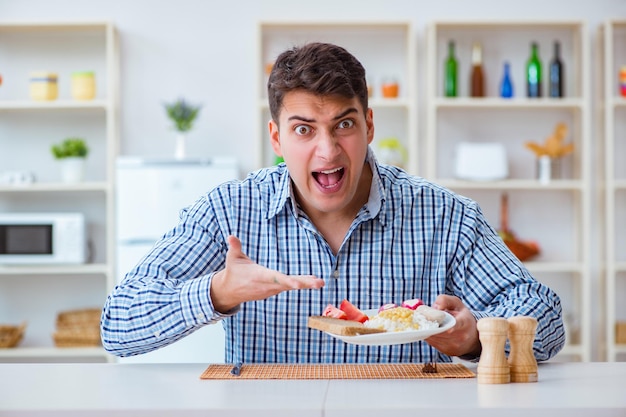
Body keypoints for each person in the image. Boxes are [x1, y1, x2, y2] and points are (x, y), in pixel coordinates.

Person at [101, 42, 565, 364]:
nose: (327, 150)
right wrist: (216, 293)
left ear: (368, 125)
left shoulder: (446, 216)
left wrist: (475, 337)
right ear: (277, 138)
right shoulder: (228, 212)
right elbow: (117, 324)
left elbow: (546, 320)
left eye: (343, 125)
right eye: (304, 129)